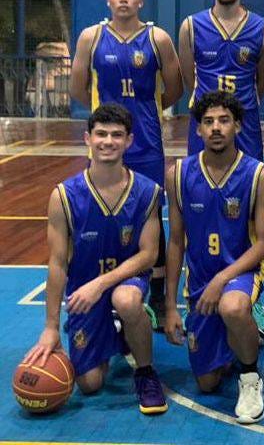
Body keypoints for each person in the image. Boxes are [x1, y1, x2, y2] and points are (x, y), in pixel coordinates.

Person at [24, 104, 167, 414]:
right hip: (83, 289)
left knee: (126, 300)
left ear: (129, 140)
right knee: (90, 384)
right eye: (101, 134)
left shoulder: (147, 192)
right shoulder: (63, 196)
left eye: (117, 135)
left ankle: (145, 374)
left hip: (126, 280)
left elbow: (149, 255)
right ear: (88, 138)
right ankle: (119, 331)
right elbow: (57, 264)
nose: (108, 141)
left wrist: (100, 285)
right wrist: (50, 327)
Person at [70, 0, 183, 329]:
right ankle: (106, 289)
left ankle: (159, 296)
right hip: (107, 145)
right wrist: (105, 116)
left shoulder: (158, 38)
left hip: (146, 143)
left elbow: (175, 88)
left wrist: (147, 111)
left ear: (140, 0)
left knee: (151, 217)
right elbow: (77, 88)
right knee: (104, 215)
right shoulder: (91, 37)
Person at [163, 91, 264, 424]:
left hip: (242, 272)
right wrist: (170, 307)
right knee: (207, 383)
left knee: (232, 307)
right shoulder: (178, 174)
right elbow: (175, 243)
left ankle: (251, 378)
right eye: (208, 121)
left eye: (224, 120)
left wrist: (222, 279)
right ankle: (242, 335)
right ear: (198, 129)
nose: (215, 128)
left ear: (237, 126)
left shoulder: (258, 175)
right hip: (199, 282)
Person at [178, 0, 264, 162]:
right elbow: (189, 80)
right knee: (201, 175)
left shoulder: (262, 28)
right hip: (206, 118)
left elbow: (262, 82)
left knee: (250, 177)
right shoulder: (191, 26)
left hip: (245, 121)